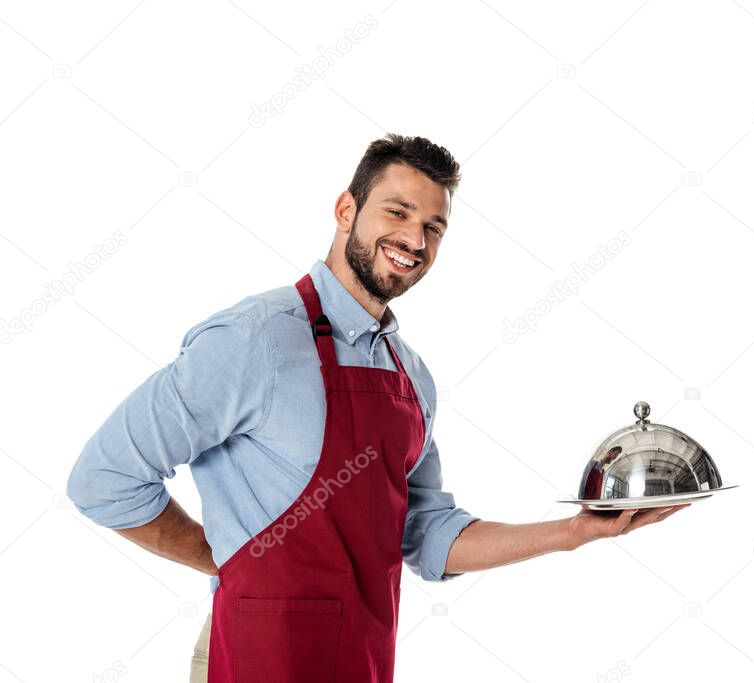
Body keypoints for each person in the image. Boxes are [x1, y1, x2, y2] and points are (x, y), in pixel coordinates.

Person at [66, 133, 689, 682]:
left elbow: (426, 535)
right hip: (256, 656)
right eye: (398, 211)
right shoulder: (256, 338)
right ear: (346, 210)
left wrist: (575, 532)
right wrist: (222, 555)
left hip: (362, 658)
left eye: (434, 228)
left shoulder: (410, 375)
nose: (415, 240)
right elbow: (105, 479)